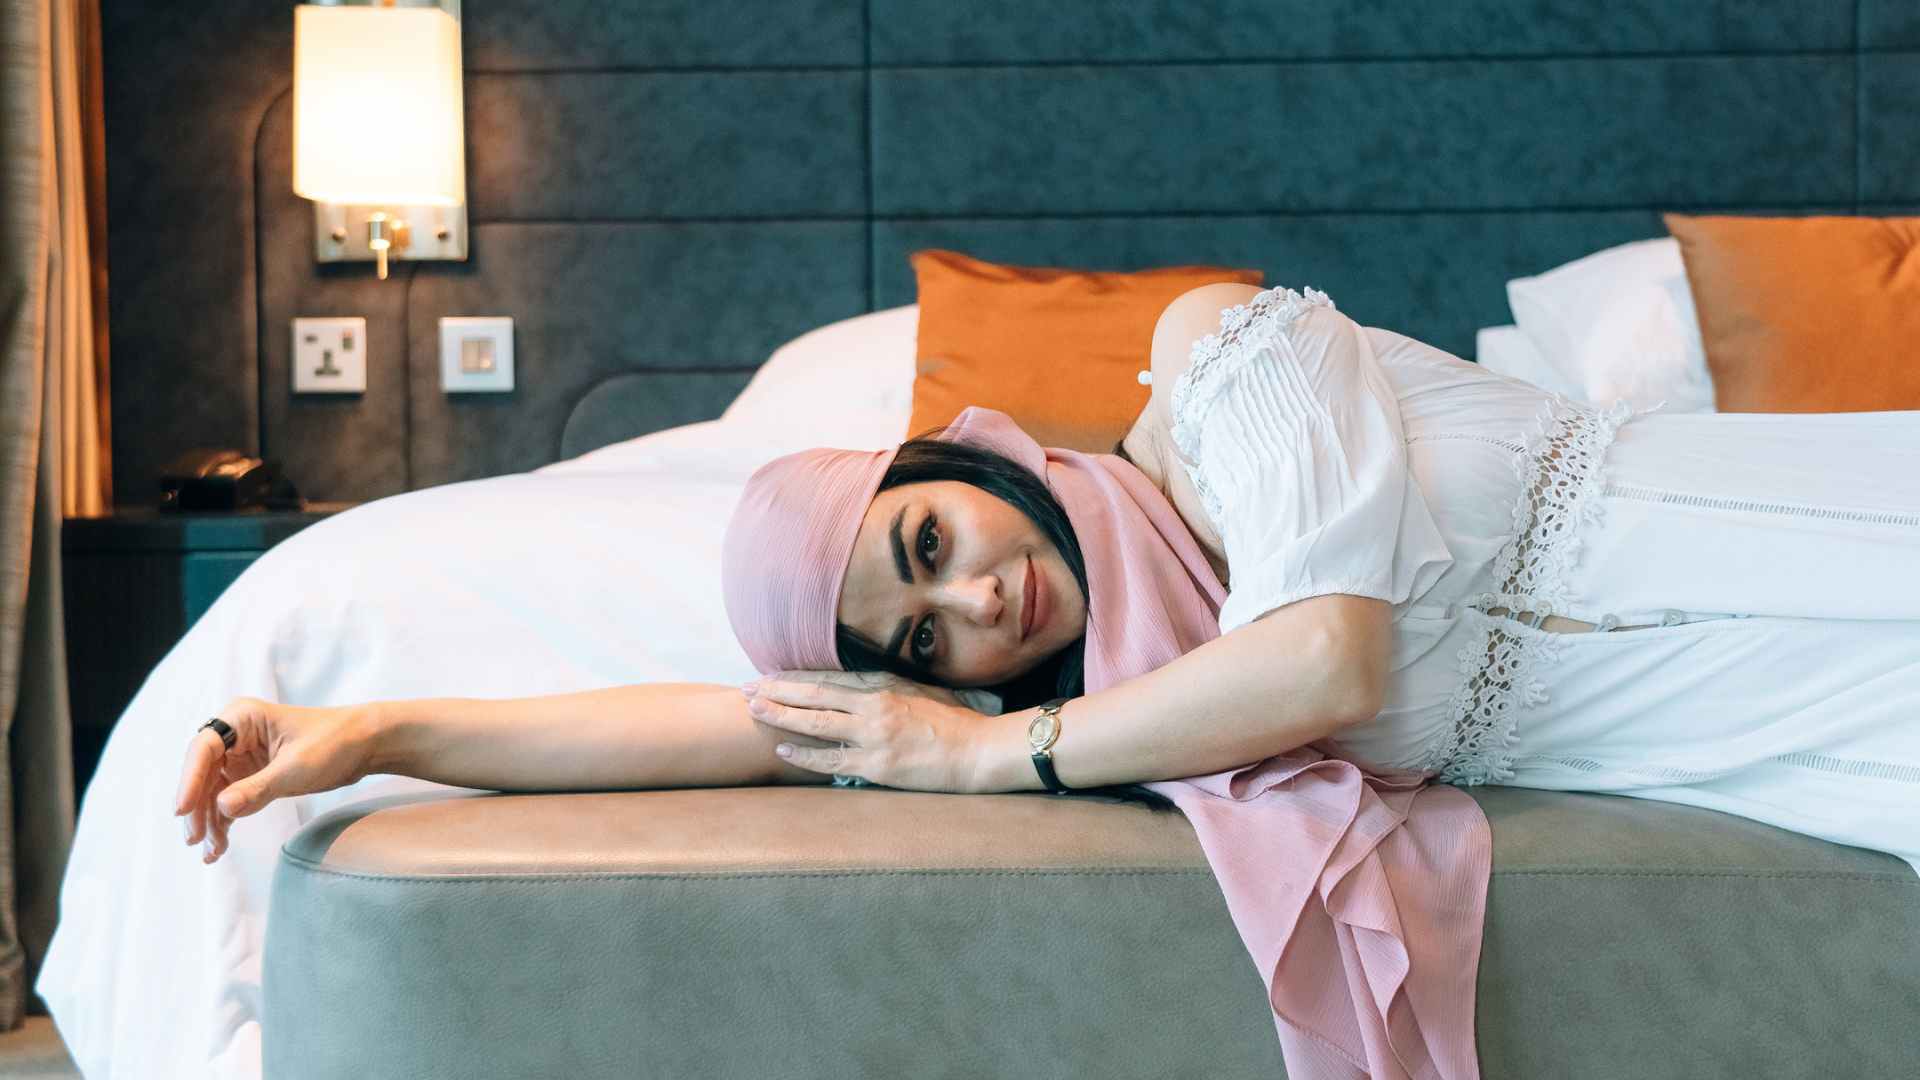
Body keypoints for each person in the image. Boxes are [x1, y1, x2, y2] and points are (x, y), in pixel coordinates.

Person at [173, 282, 1920, 879]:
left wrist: (986, 753)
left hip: (1826, 524)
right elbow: (729, 727)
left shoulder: (1220, 359)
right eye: (918, 640)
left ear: (973, 464)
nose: (973, 612)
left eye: (931, 545)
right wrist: (371, 723)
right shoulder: (1120, 704)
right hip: (1793, 728)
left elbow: (1325, 660)